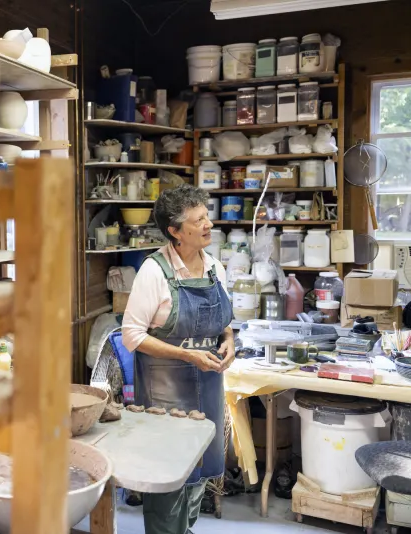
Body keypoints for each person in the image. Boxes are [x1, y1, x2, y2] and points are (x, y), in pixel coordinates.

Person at [122, 185, 235, 534]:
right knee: (167, 480)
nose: (209, 224)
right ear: (175, 231)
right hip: (166, 397)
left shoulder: (215, 267)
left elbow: (226, 324)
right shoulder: (154, 272)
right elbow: (132, 336)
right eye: (198, 220)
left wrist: (229, 340)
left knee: (198, 475)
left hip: (209, 388)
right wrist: (187, 355)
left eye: (207, 216)